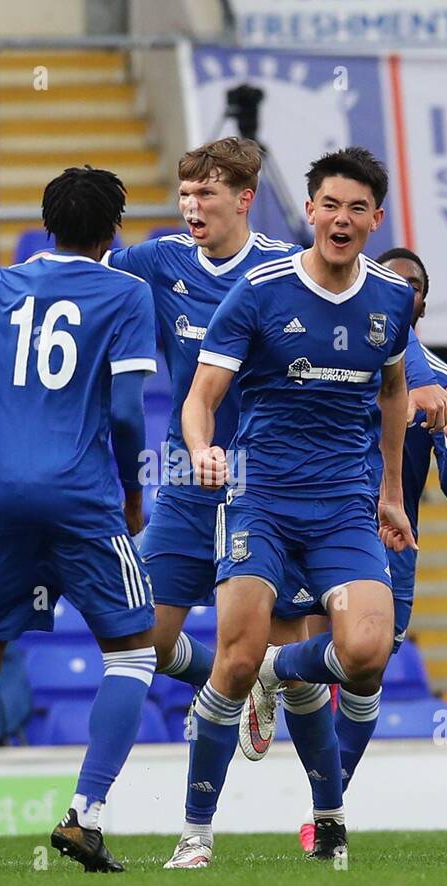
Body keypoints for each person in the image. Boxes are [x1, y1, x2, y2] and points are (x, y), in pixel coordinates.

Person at [163, 147, 447, 868]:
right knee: (230, 657)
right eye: (329, 205)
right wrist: (202, 447)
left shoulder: (389, 298)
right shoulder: (260, 292)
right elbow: (202, 397)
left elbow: (391, 394)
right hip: (259, 497)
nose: (342, 219)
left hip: (343, 508)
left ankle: (283, 679)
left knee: (367, 654)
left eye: (358, 208)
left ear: (375, 219)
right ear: (310, 213)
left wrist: (391, 492)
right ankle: (197, 833)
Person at [0, 166, 158, 876]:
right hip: (81, 497)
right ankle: (86, 817)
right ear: (113, 231)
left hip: (2, 497)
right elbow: (127, 412)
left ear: (46, 225)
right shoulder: (126, 292)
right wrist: (134, 496)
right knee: (134, 653)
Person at [241, 247, 447, 852]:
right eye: (391, 279)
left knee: (365, 668)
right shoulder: (340, 351)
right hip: (323, 520)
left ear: (421, 300)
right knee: (321, 649)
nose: (401, 290)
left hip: (393, 541)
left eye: (414, 284)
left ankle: (272, 675)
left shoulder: (445, 380)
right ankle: (325, 815)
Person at [102, 137, 298, 689]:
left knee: (289, 660)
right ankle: (230, 682)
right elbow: (84, 272)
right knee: (144, 640)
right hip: (189, 474)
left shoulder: (285, 269)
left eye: (205, 193)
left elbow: (367, 312)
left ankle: (305, 751)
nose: (190, 206)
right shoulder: (162, 260)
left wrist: (423, 377)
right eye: (184, 193)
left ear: (244, 199)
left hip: (271, 479)